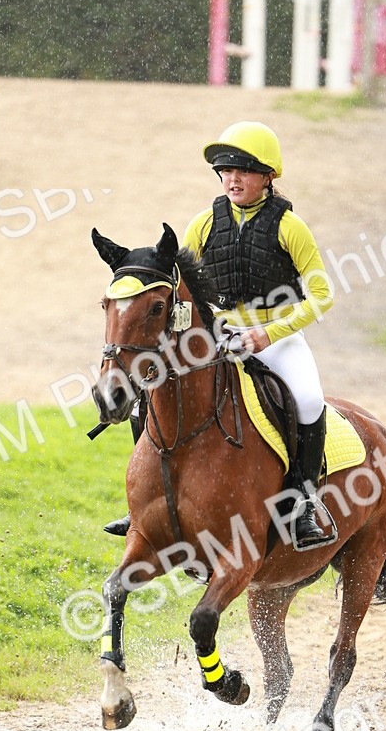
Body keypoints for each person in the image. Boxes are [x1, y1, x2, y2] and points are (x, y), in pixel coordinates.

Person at [105, 121, 335, 549]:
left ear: (268, 176)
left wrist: (269, 334)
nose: (233, 179)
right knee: (148, 397)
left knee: (308, 398)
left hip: (277, 336)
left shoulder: (290, 227)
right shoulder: (204, 224)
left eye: (244, 170)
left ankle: (303, 501)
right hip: (218, 335)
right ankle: (144, 502)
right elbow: (179, 285)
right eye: (226, 171)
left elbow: (322, 296)